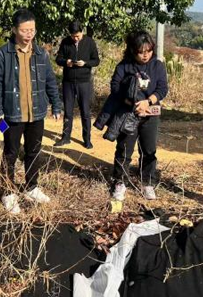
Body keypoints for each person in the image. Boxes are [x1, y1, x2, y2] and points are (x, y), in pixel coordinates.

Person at [0, 8, 62, 214]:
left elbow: (50, 81)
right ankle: (7, 191)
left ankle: (31, 187)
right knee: (10, 153)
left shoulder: (41, 54)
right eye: (24, 30)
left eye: (32, 30)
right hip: (12, 114)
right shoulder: (3, 54)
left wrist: (56, 104)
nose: (29, 34)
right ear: (14, 30)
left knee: (34, 151)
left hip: (36, 113)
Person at [108, 31, 168, 201]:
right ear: (133, 51)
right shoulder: (124, 66)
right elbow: (115, 87)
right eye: (141, 52)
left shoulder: (157, 66)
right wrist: (131, 103)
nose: (145, 55)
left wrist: (148, 102)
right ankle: (120, 182)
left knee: (149, 150)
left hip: (150, 114)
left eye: (148, 51)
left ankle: (147, 182)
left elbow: (162, 88)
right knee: (124, 149)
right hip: (129, 114)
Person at [54, 21, 100, 148]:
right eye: (73, 36)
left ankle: (87, 139)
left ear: (82, 32)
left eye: (78, 36)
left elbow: (96, 61)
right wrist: (66, 62)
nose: (75, 38)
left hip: (84, 82)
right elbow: (58, 59)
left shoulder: (90, 42)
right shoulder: (65, 42)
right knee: (68, 111)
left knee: (85, 112)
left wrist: (85, 63)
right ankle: (65, 137)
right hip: (68, 82)